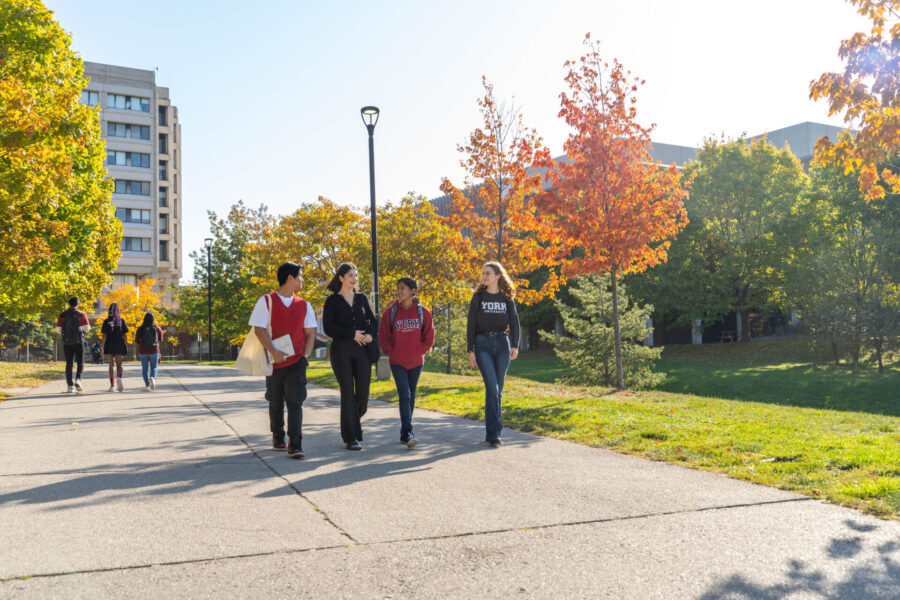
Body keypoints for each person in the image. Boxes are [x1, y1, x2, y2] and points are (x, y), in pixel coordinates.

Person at [249, 262, 317, 459]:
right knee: (275, 400)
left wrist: (305, 356)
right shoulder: (266, 301)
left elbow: (310, 333)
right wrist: (274, 351)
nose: (302, 280)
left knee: (295, 402)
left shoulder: (305, 305)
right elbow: (258, 329)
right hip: (274, 361)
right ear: (290, 278)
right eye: (300, 276)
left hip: (297, 362)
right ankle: (277, 435)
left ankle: (295, 444)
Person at [323, 263, 378, 451]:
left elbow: (373, 321)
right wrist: (352, 334)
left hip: (362, 351)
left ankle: (352, 421)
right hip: (341, 352)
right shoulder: (332, 302)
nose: (354, 279)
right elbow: (328, 328)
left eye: (356, 275)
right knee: (347, 391)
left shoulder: (362, 299)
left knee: (362, 393)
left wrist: (370, 334)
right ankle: (351, 437)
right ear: (341, 278)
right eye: (350, 275)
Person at [467, 262, 520, 447]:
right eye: (483, 273)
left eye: (488, 273)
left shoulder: (507, 298)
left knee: (498, 392)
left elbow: (514, 323)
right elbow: (471, 325)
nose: (484, 276)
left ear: (498, 275)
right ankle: (493, 434)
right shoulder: (478, 297)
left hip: (502, 345)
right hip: (483, 345)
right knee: (492, 387)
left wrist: (515, 345)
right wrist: (470, 350)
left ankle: (495, 432)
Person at [378, 277, 435, 448]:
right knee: (405, 394)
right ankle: (409, 431)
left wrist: (420, 350)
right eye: (398, 288)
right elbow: (383, 335)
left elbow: (429, 336)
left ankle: (404, 433)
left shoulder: (423, 312)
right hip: (397, 362)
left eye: (402, 288)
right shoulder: (391, 312)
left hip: (416, 361)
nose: (399, 291)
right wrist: (391, 352)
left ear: (412, 291)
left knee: (411, 395)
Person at [56, 297, 91, 393]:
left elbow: (58, 329)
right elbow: (87, 328)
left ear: (69, 304)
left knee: (69, 363)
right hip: (78, 341)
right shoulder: (81, 314)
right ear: (78, 304)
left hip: (66, 342)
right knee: (80, 361)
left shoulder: (63, 315)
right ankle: (78, 380)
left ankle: (70, 386)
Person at [101, 302, 129, 392]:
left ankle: (112, 386)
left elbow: (104, 336)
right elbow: (125, 335)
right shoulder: (121, 321)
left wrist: (102, 347)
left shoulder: (106, 322)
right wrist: (125, 344)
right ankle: (119, 377)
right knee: (119, 365)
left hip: (109, 345)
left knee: (111, 365)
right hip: (119, 344)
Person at [135, 312, 164, 391]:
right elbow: (160, 340)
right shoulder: (157, 328)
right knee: (154, 367)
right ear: (153, 319)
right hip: (154, 350)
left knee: (145, 368)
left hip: (143, 351)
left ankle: (147, 386)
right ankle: (152, 378)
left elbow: (136, 341)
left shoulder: (140, 328)